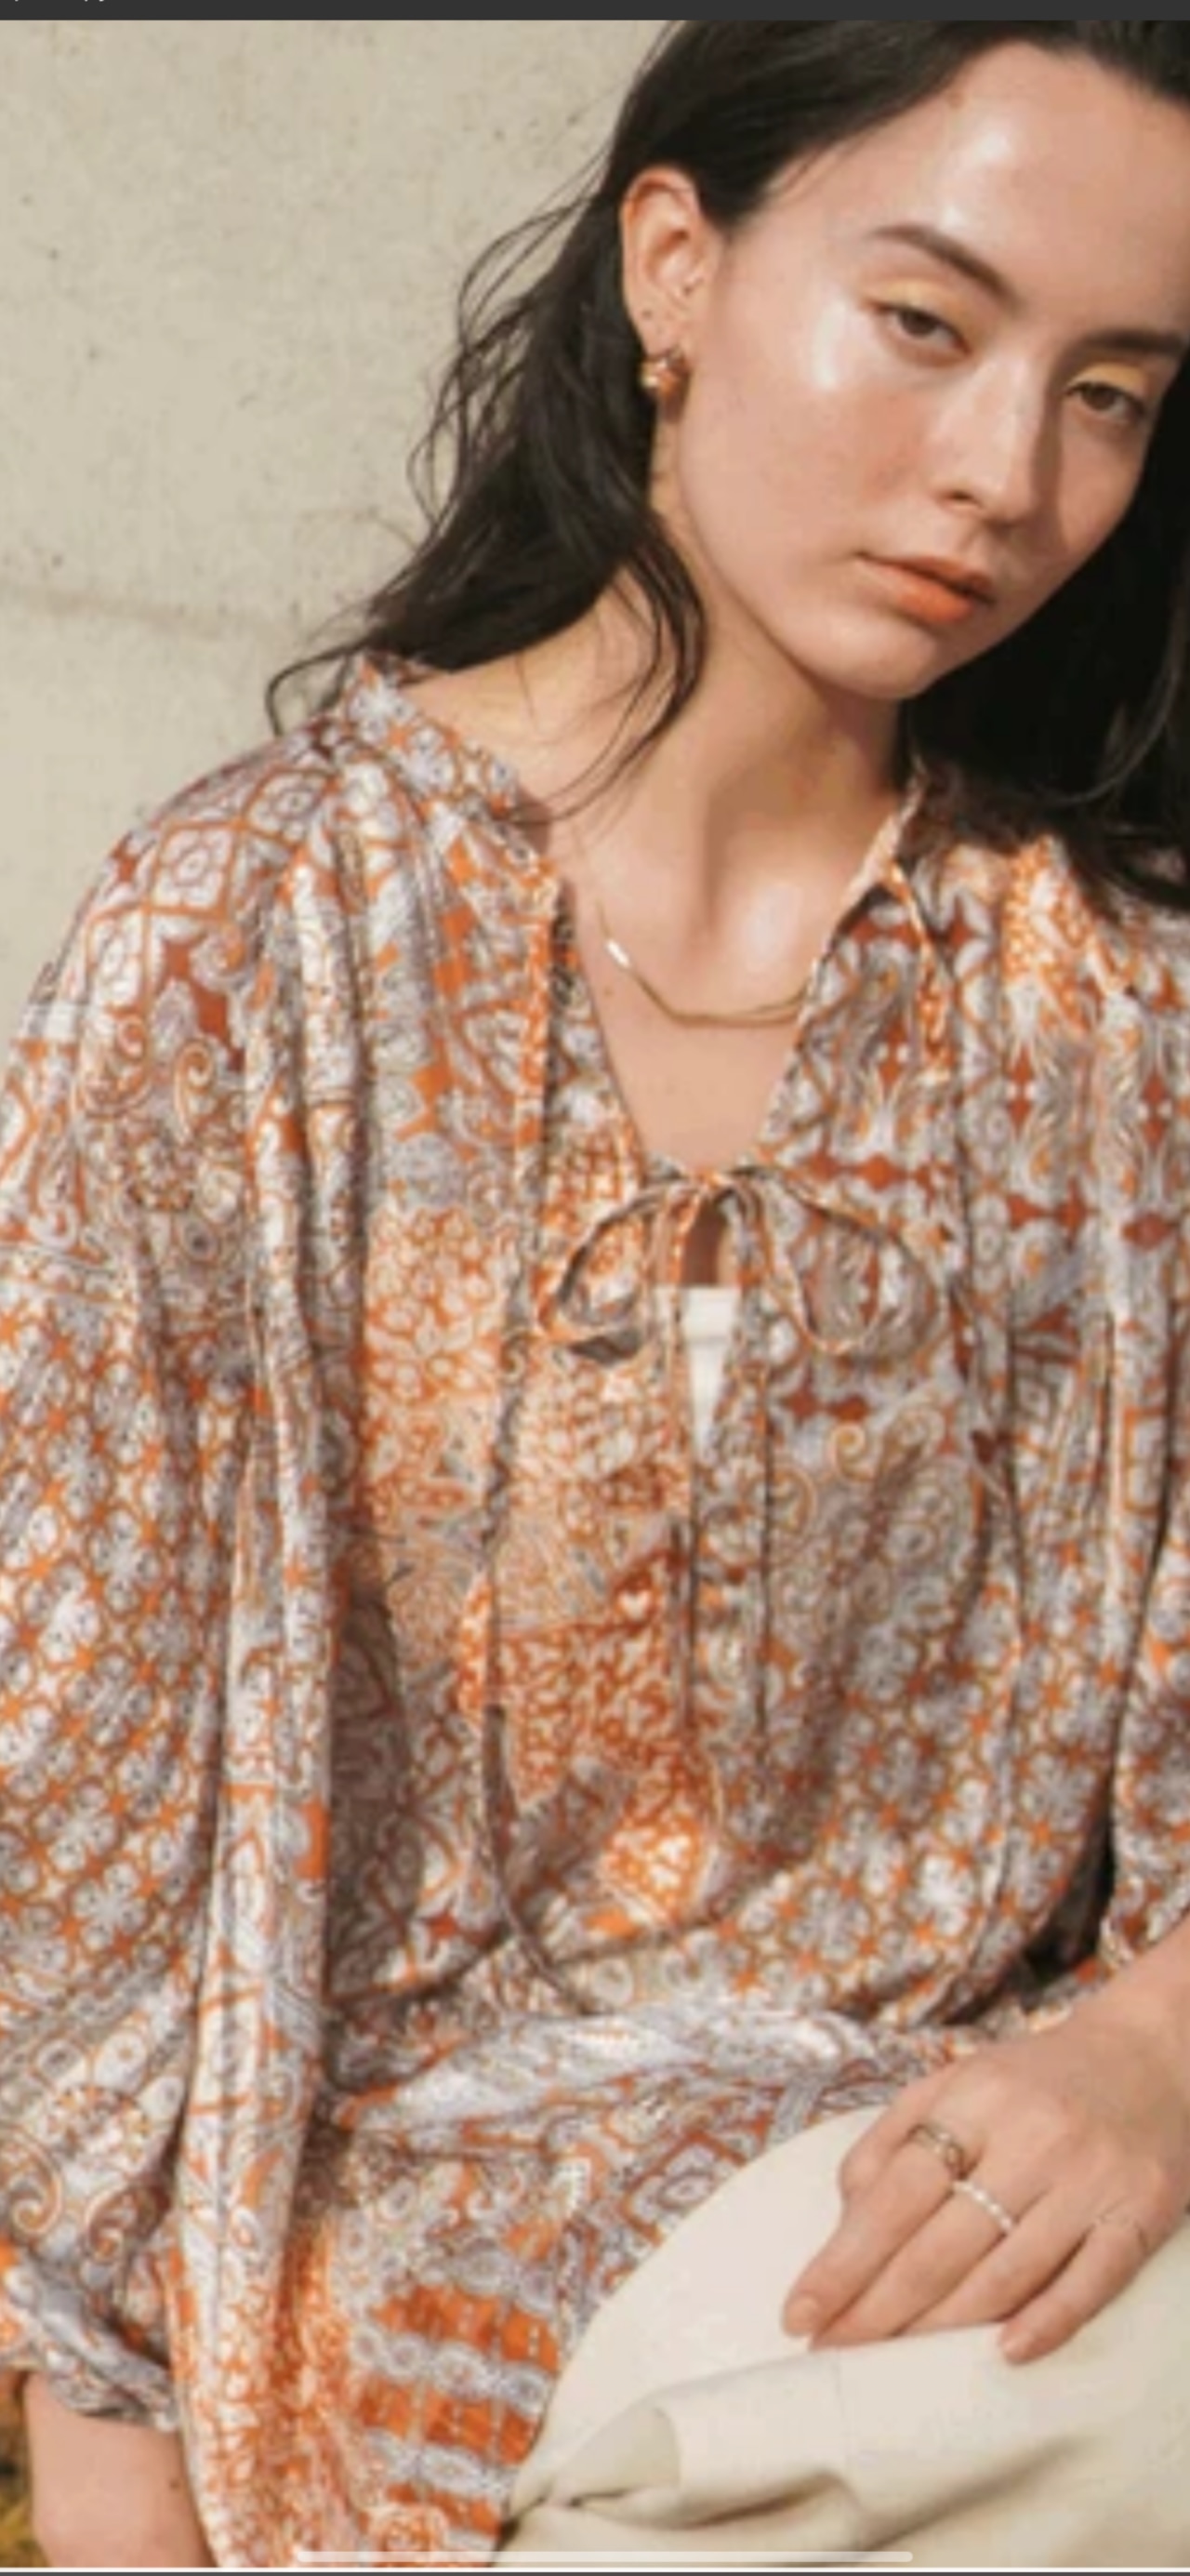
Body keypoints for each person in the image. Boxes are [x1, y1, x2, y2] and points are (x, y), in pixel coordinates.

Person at [5, 17, 1190, 2569]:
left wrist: (1160, 2055)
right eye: (926, 323)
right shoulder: (246, 953)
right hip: (426, 2264)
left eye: (1112, 394)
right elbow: (71, 1824)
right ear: (676, 266)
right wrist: (112, 2489)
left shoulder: (1119, 1018)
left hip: (980, 2209)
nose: (1009, 473)